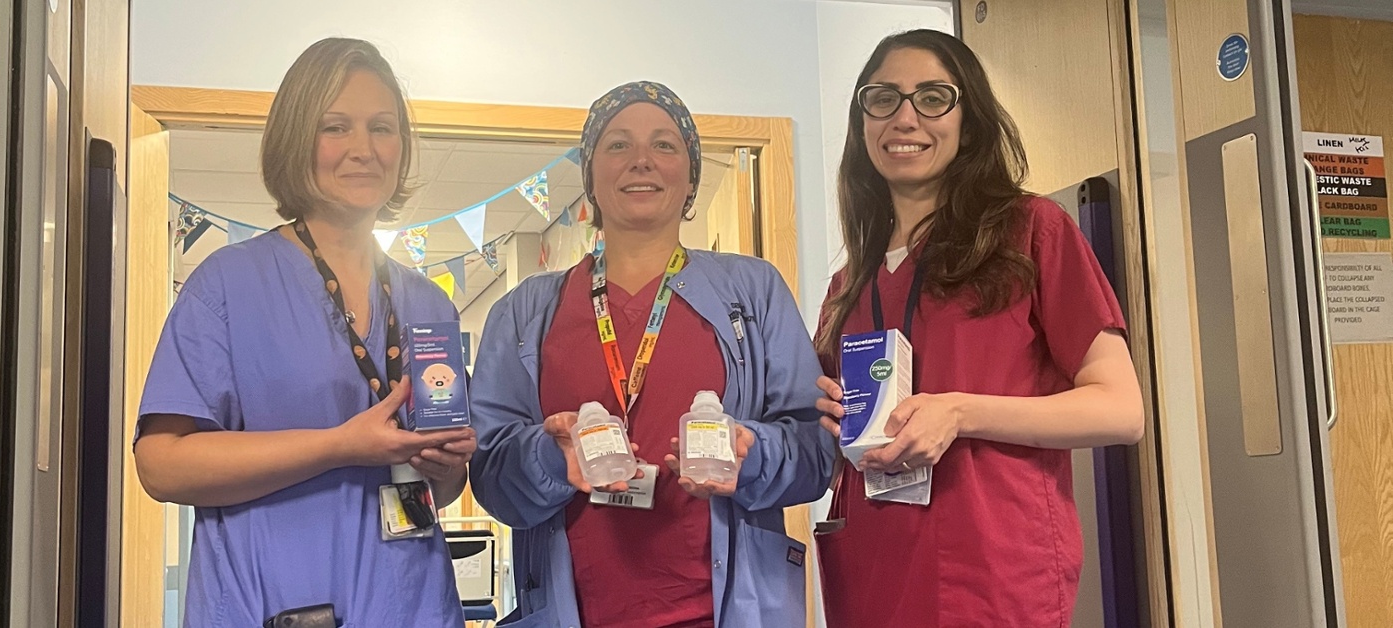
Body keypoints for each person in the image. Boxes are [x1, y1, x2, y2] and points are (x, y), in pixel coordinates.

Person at [133, 38, 476, 627]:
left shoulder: (429, 303)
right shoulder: (228, 283)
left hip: (414, 605)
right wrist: (339, 446)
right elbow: (161, 465)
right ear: (298, 139)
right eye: (335, 127)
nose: (364, 149)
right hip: (280, 606)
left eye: (382, 127)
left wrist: (445, 467)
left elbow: (435, 494)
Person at [468, 81, 835, 628]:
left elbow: (816, 453)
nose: (641, 160)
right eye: (617, 145)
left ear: (690, 175)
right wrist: (550, 459)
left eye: (665, 145)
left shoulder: (753, 292)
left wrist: (750, 455)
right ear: (590, 173)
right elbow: (491, 477)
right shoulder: (524, 313)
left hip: (728, 613)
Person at [812, 29, 1146, 626]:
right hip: (873, 574)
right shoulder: (848, 288)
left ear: (969, 120)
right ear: (862, 123)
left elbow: (1120, 410)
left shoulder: (1029, 231)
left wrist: (960, 412)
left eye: (933, 97)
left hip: (992, 579)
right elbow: (833, 439)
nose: (905, 117)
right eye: (882, 98)